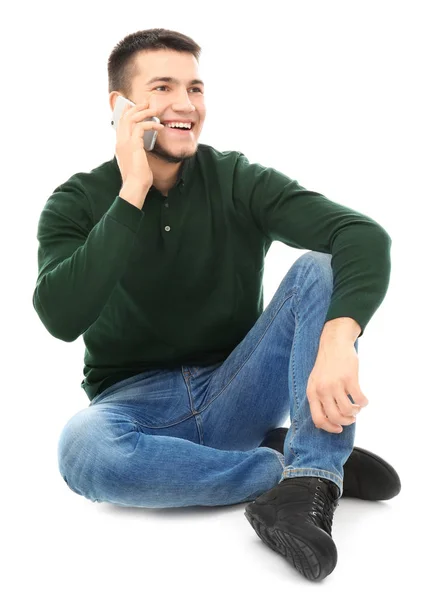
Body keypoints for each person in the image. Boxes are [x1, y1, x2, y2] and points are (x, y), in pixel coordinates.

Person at [32, 28, 401, 582]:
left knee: (318, 269)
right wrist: (131, 189)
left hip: (237, 386)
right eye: (162, 88)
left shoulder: (235, 179)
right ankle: (285, 467)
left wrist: (337, 339)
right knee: (81, 450)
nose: (185, 105)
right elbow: (60, 317)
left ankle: (312, 483)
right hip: (136, 410)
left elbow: (360, 234)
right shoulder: (75, 201)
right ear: (120, 106)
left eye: (195, 88)